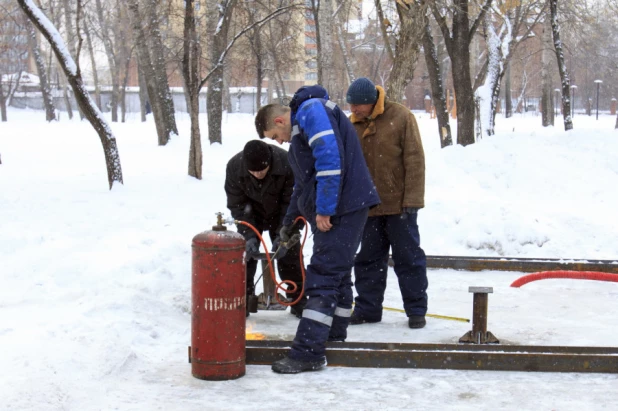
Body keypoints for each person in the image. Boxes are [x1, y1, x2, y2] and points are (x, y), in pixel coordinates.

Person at [255, 85, 380, 374]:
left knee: (323, 274)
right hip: (347, 203)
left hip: (343, 207)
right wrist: (289, 222)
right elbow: (303, 183)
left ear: (279, 121)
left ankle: (308, 352)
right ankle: (333, 332)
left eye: (276, 138)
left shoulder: (311, 111)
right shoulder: (304, 126)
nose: (281, 143)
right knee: (337, 272)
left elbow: (329, 159)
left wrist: (325, 207)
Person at [346, 77, 428, 329]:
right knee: (368, 260)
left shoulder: (401, 117)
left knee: (408, 258)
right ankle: (368, 309)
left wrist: (412, 200)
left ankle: (416, 310)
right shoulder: (352, 124)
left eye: (358, 105)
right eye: (351, 105)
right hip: (368, 206)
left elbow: (415, 160)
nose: (354, 110)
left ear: (372, 102)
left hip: (399, 205)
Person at [224, 140, 306, 318]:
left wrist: (284, 233)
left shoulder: (287, 163)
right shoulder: (234, 167)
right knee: (245, 254)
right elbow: (237, 205)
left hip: (282, 213)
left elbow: (292, 203)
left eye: (262, 170)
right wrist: (248, 235)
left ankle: (299, 299)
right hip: (251, 213)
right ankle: (243, 298)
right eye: (253, 171)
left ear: (269, 162)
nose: (258, 174)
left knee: (289, 253)